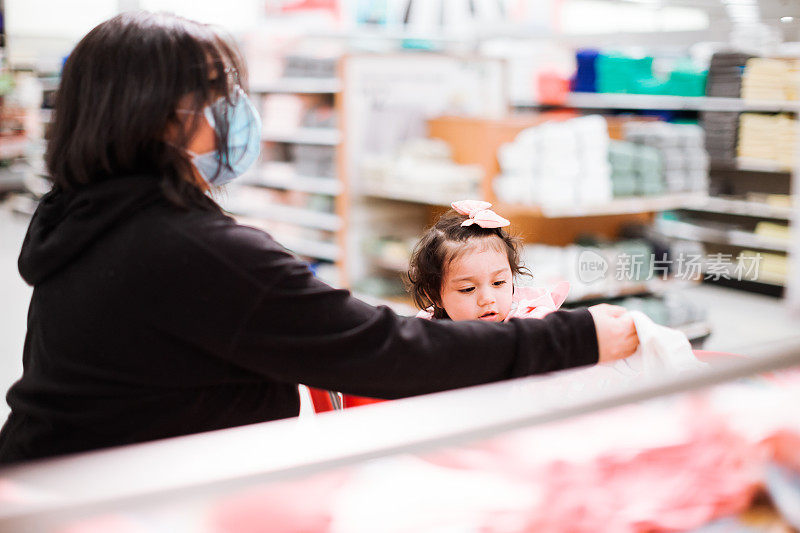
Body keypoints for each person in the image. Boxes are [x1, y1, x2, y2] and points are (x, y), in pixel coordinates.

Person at [0, 11, 638, 465]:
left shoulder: (81, 215)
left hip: (59, 475)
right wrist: (576, 337)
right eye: (225, 92)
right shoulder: (196, 252)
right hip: (116, 506)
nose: (239, 110)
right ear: (172, 116)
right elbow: (387, 351)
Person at [407, 200, 571, 322]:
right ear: (435, 296)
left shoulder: (531, 322)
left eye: (499, 283)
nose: (487, 299)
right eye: (468, 289)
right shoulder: (428, 329)